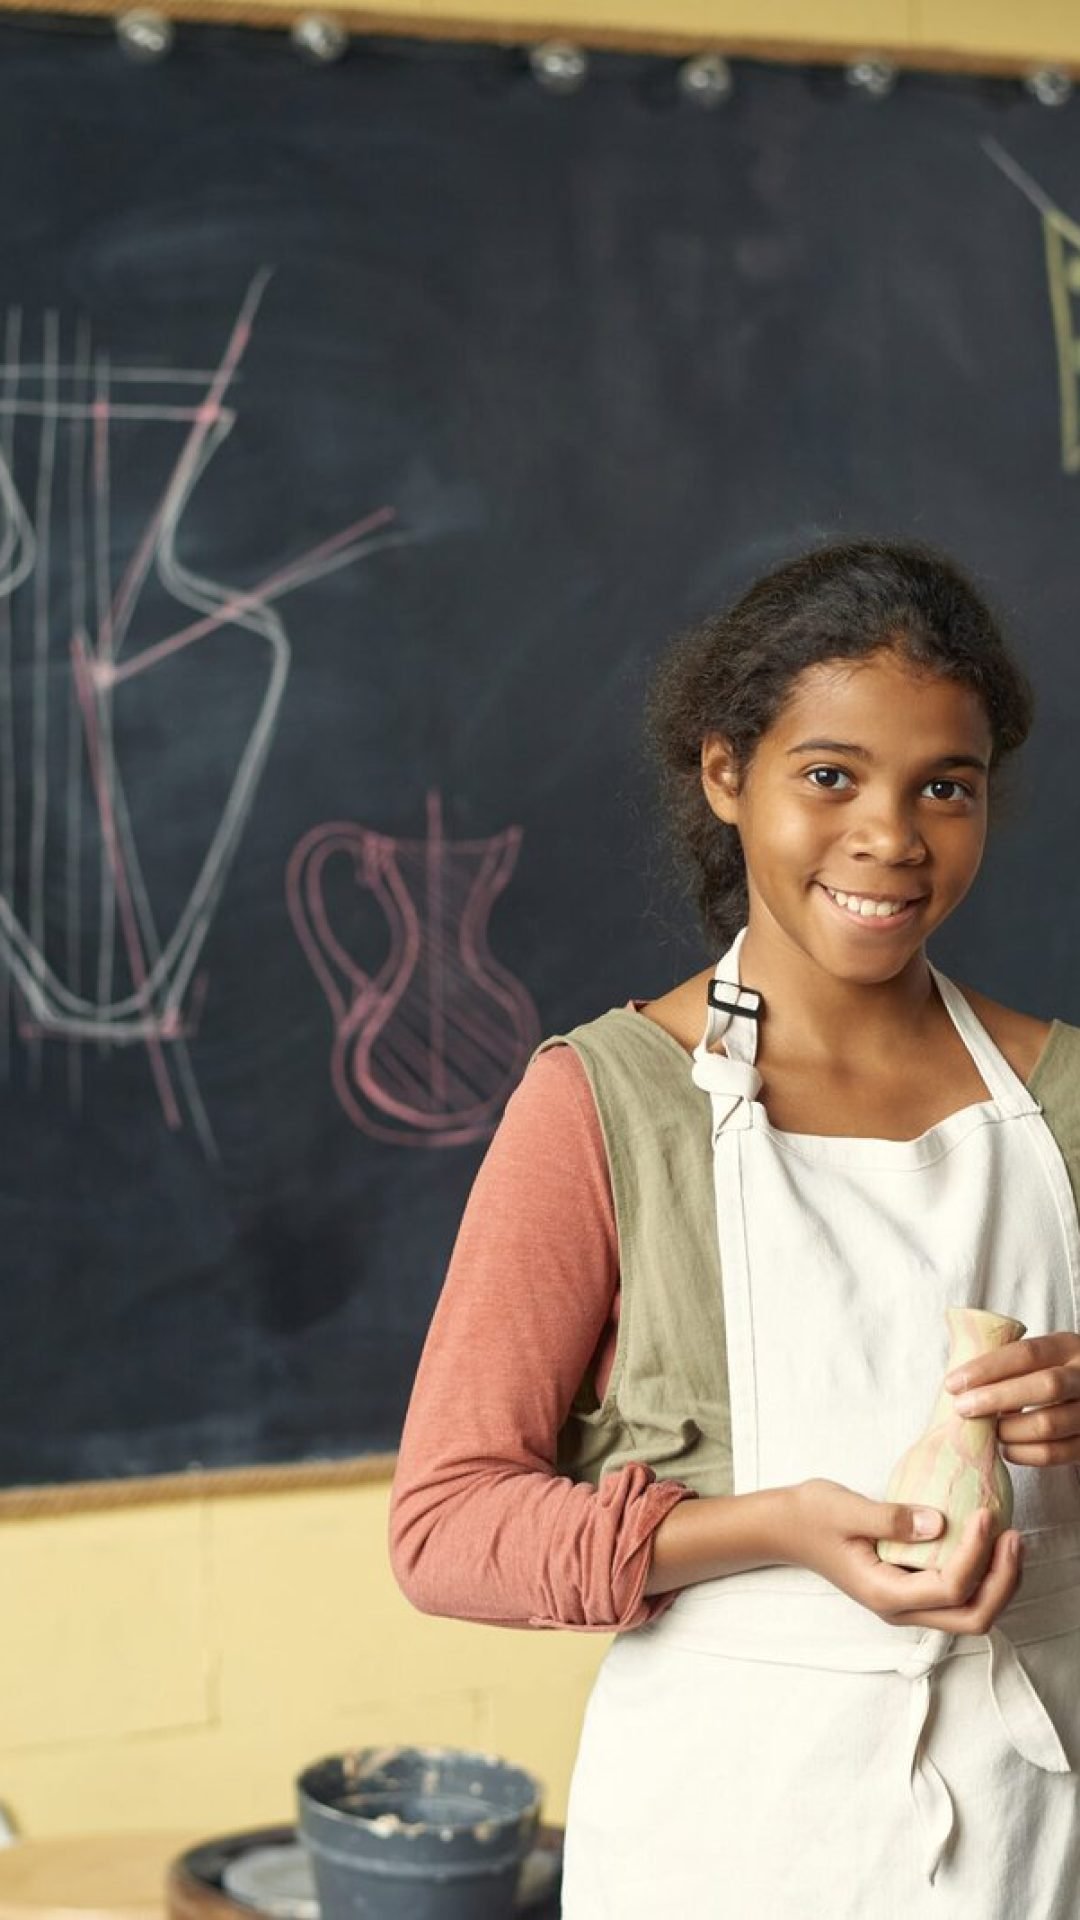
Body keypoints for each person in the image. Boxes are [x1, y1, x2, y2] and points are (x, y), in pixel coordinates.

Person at [389, 537, 1080, 1917]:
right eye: (829, 776)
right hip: (726, 1833)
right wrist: (771, 1528)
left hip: (1028, 1830)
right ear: (726, 776)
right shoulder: (603, 1104)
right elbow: (446, 1528)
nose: (890, 837)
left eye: (945, 786)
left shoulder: (1062, 1100)